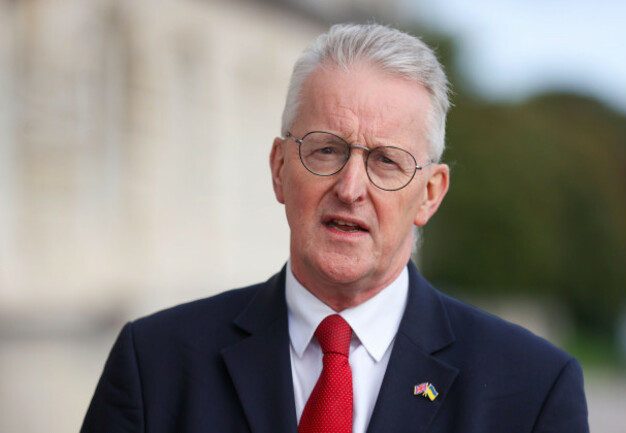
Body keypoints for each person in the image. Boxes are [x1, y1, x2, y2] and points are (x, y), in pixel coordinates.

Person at [81, 23, 589, 433]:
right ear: (280, 168)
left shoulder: (531, 389)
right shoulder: (156, 364)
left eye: (387, 161)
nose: (350, 187)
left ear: (429, 194)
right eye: (326, 149)